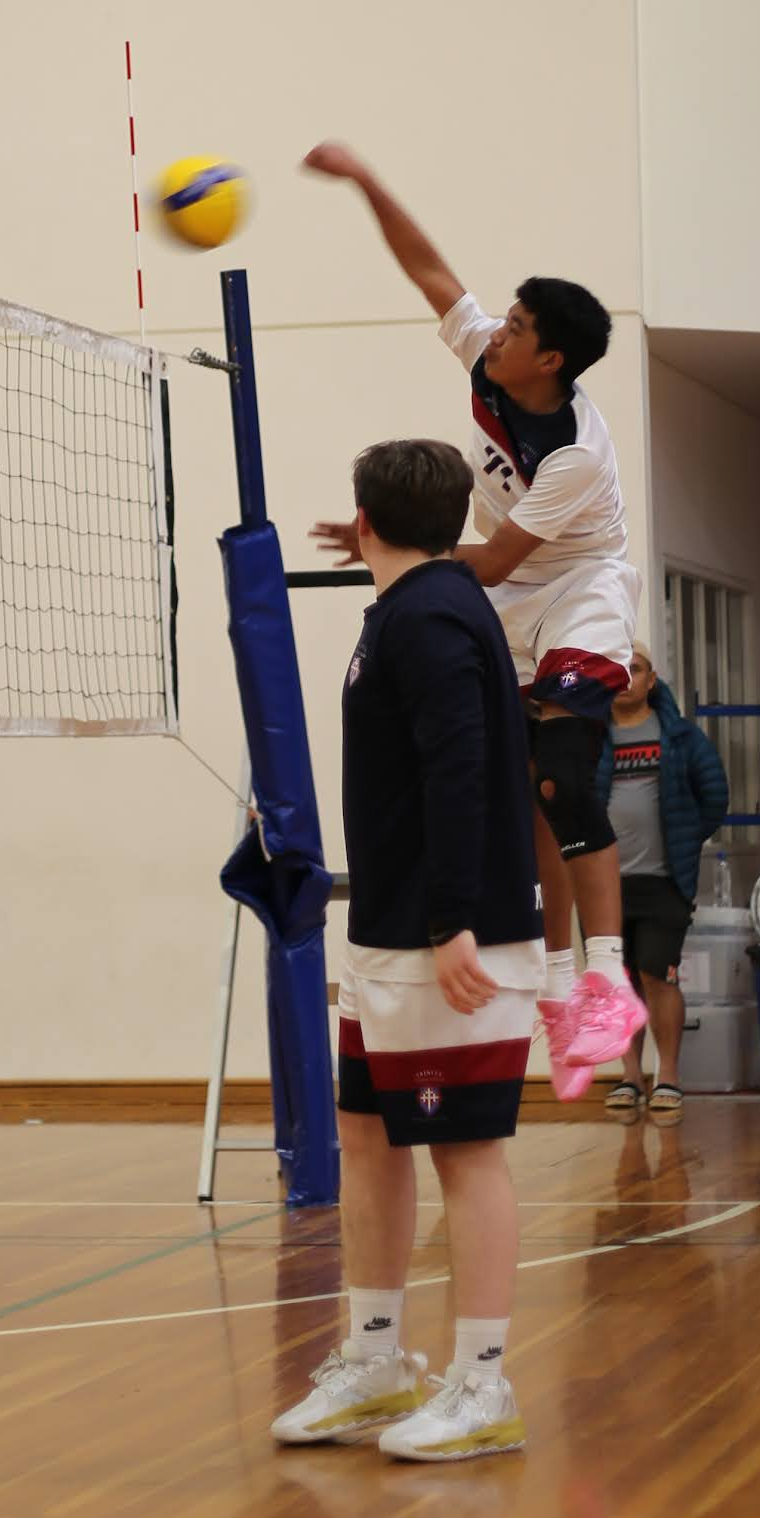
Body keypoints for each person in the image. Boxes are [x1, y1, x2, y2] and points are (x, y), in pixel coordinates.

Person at [300, 141, 647, 1100]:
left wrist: (392, 545)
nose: (499, 330)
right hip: (504, 585)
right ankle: (553, 984)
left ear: (551, 360)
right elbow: (428, 270)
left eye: (519, 326)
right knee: (524, 787)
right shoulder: (493, 360)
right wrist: (367, 181)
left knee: (561, 774)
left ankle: (608, 980)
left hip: (575, 588)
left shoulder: (575, 454)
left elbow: (491, 561)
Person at [271, 438, 543, 1462]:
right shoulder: (418, 598)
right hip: (390, 931)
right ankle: (377, 1359)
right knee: (367, 1135)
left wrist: (452, 919)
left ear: (365, 520)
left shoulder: (428, 617)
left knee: (463, 1149)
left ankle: (481, 1384)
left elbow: (458, 767)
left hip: (448, 934)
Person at [598, 645, 731, 1121]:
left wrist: (684, 839)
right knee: (617, 981)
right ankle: (630, 1076)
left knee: (658, 974)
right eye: (616, 670)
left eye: (633, 669)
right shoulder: (591, 738)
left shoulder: (680, 736)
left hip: (663, 881)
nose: (625, 678)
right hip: (602, 886)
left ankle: (667, 1075)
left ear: (651, 679)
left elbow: (714, 797)